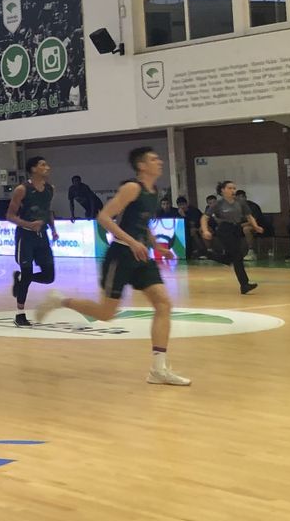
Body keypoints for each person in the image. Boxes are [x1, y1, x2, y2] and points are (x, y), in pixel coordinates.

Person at [35, 147, 191, 386]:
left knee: (163, 303)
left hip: (142, 256)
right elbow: (104, 218)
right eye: (153, 159)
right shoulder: (132, 188)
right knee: (107, 314)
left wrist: (155, 245)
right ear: (141, 166)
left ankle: (158, 369)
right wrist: (131, 242)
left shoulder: (153, 190)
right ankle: (60, 300)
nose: (159, 161)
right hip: (121, 255)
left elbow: (142, 222)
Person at [7, 156, 58, 326]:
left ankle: (21, 277)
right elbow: (10, 215)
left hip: (42, 236)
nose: (48, 167)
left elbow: (48, 211)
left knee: (49, 276)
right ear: (34, 169)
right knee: (28, 273)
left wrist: (53, 229)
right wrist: (28, 224)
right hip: (25, 236)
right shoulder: (22, 189)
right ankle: (20, 314)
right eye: (43, 165)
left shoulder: (50, 188)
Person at [202, 181, 261, 294]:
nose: (233, 190)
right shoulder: (217, 204)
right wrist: (205, 230)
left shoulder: (241, 203)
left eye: (234, 188)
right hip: (224, 230)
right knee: (237, 256)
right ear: (223, 190)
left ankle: (210, 255)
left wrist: (255, 226)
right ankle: (244, 285)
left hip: (236, 229)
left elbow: (249, 216)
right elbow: (204, 218)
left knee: (231, 257)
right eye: (230, 188)